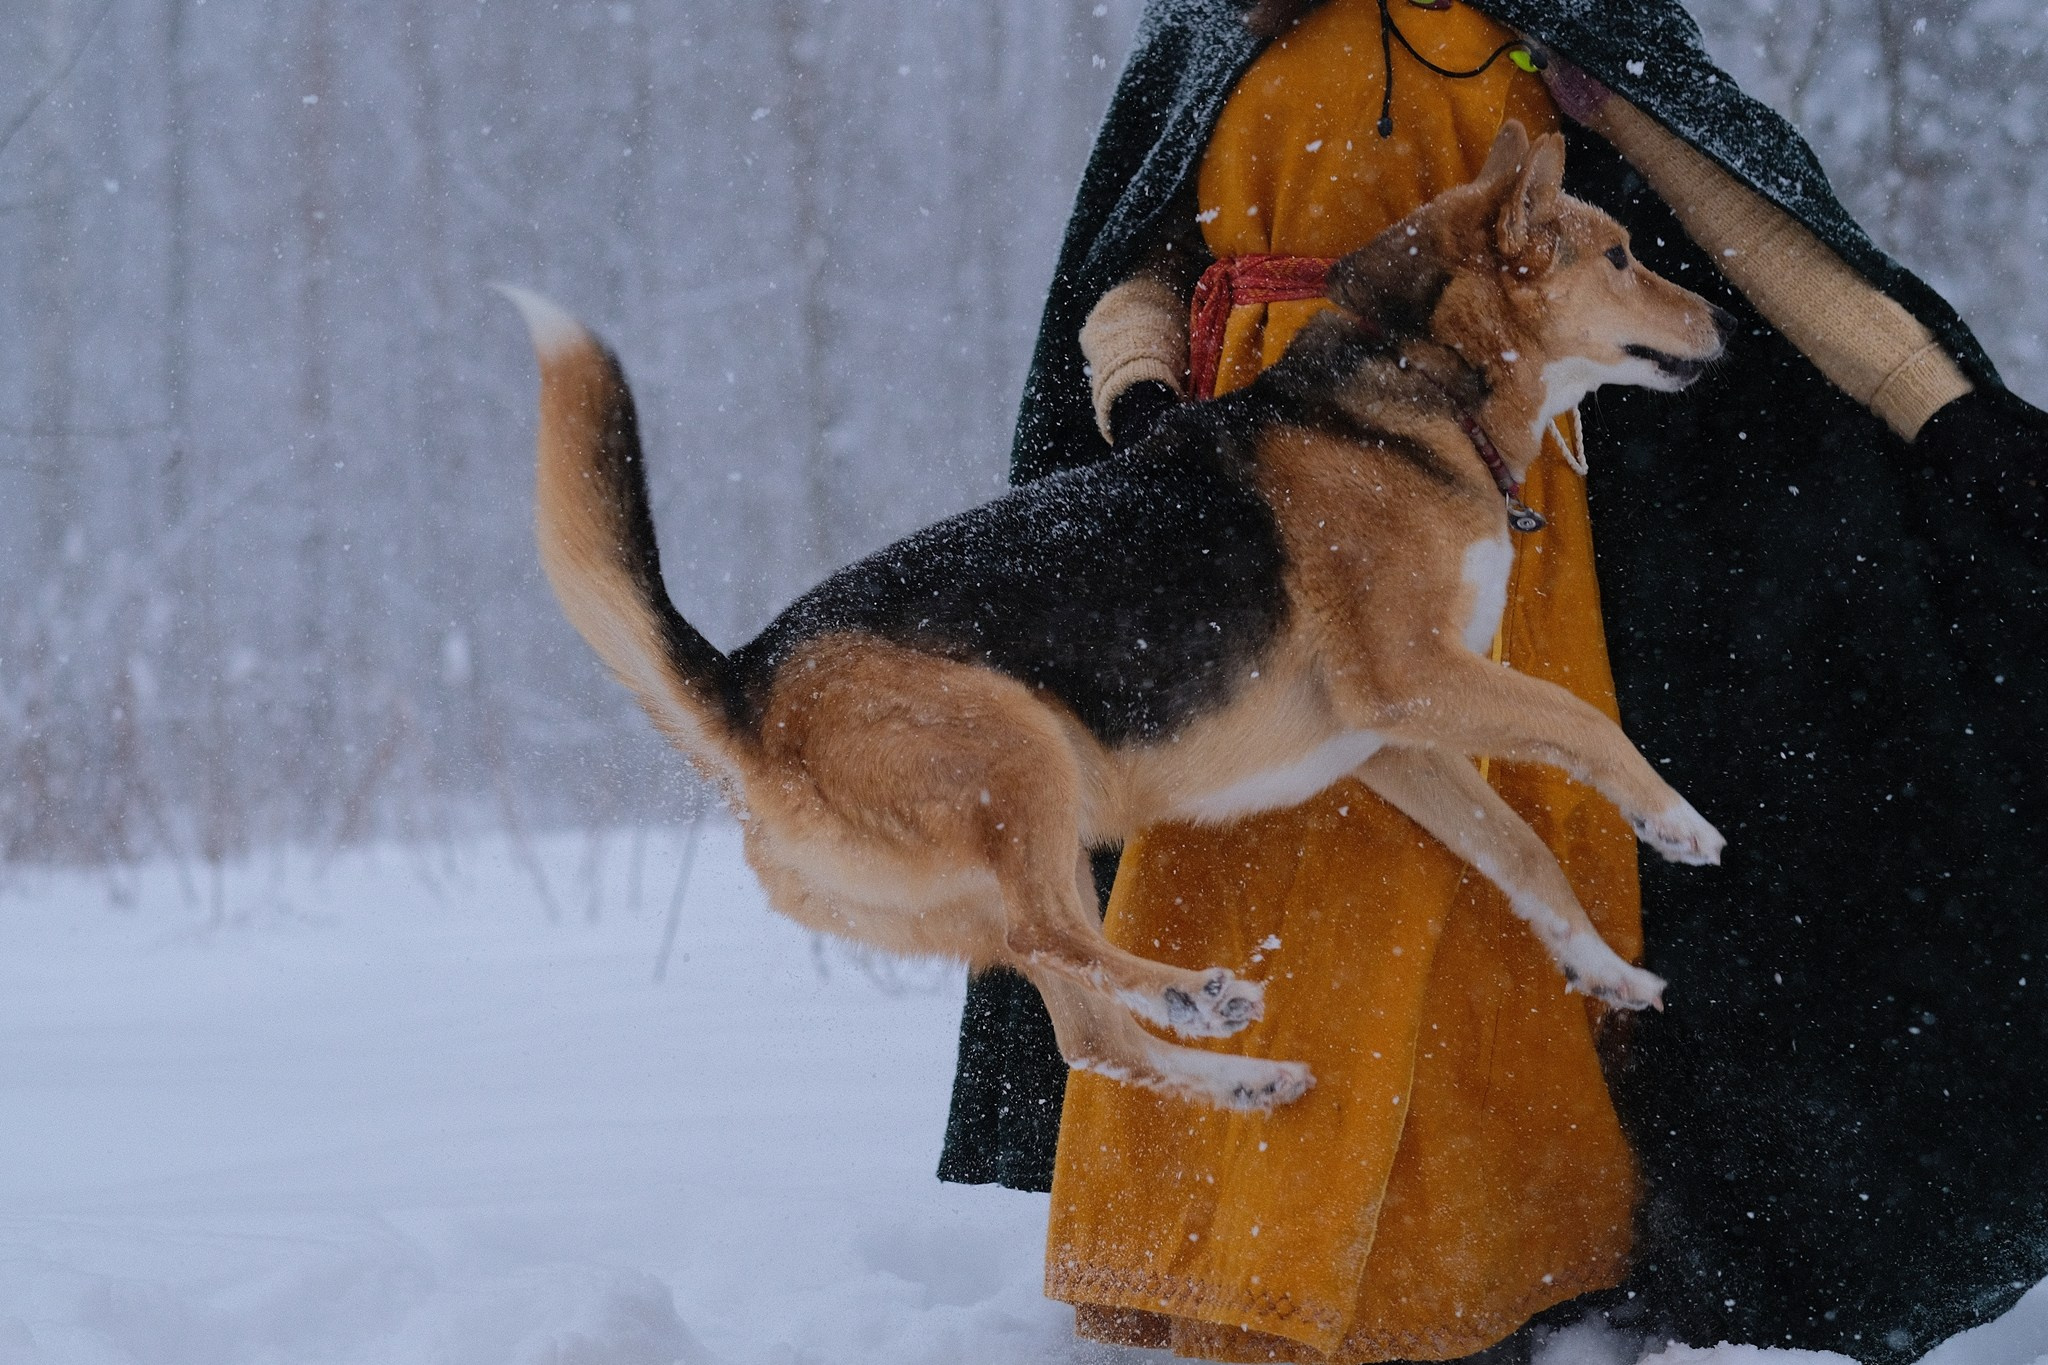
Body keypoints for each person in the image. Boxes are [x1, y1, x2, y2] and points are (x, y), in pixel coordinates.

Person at [938, 1, 2048, 1360]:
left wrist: (1939, 406)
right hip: (1251, 502)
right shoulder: (1216, 30)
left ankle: (1485, 1262)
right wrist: (1140, 398)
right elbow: (1133, 267)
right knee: (1271, 863)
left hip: (1488, 516)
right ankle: (1239, 1254)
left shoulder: (1549, 18)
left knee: (1471, 878)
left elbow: (1746, 226)